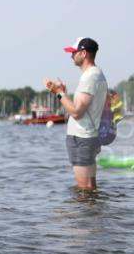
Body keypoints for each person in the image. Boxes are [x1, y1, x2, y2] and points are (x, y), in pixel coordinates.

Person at [44, 37, 108, 191]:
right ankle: (93, 214)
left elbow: (76, 112)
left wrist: (59, 94)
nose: (71, 55)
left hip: (82, 138)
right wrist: (63, 92)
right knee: (90, 187)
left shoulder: (90, 77)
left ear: (83, 53)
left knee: (83, 188)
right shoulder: (95, 74)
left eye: (74, 52)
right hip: (88, 136)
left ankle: (84, 215)